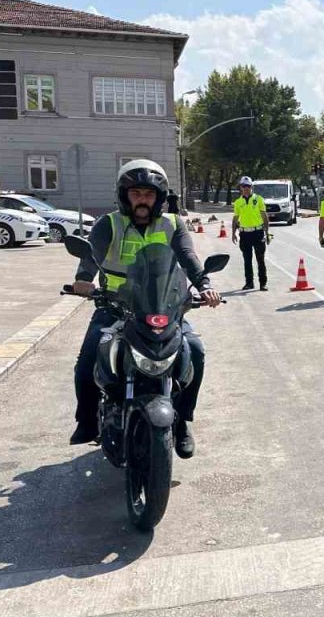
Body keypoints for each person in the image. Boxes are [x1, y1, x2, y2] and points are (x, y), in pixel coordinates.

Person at [69, 159, 222, 458]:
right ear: (124, 195)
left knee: (195, 351)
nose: (142, 199)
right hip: (115, 306)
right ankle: (86, 420)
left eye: (148, 194)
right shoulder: (109, 224)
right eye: (136, 193)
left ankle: (183, 422)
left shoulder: (173, 224)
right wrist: (82, 280)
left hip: (163, 307)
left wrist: (204, 284)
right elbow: (91, 255)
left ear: (159, 198)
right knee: (89, 357)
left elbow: (188, 256)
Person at [230, 176, 270, 291]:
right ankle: (249, 283)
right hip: (244, 234)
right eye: (243, 186)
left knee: (260, 259)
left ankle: (263, 283)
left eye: (248, 186)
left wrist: (267, 233)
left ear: (251, 187)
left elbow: (264, 216)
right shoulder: (238, 202)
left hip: (257, 232)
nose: (246, 188)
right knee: (247, 259)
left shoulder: (259, 199)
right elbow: (235, 218)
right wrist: (233, 233)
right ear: (240, 188)